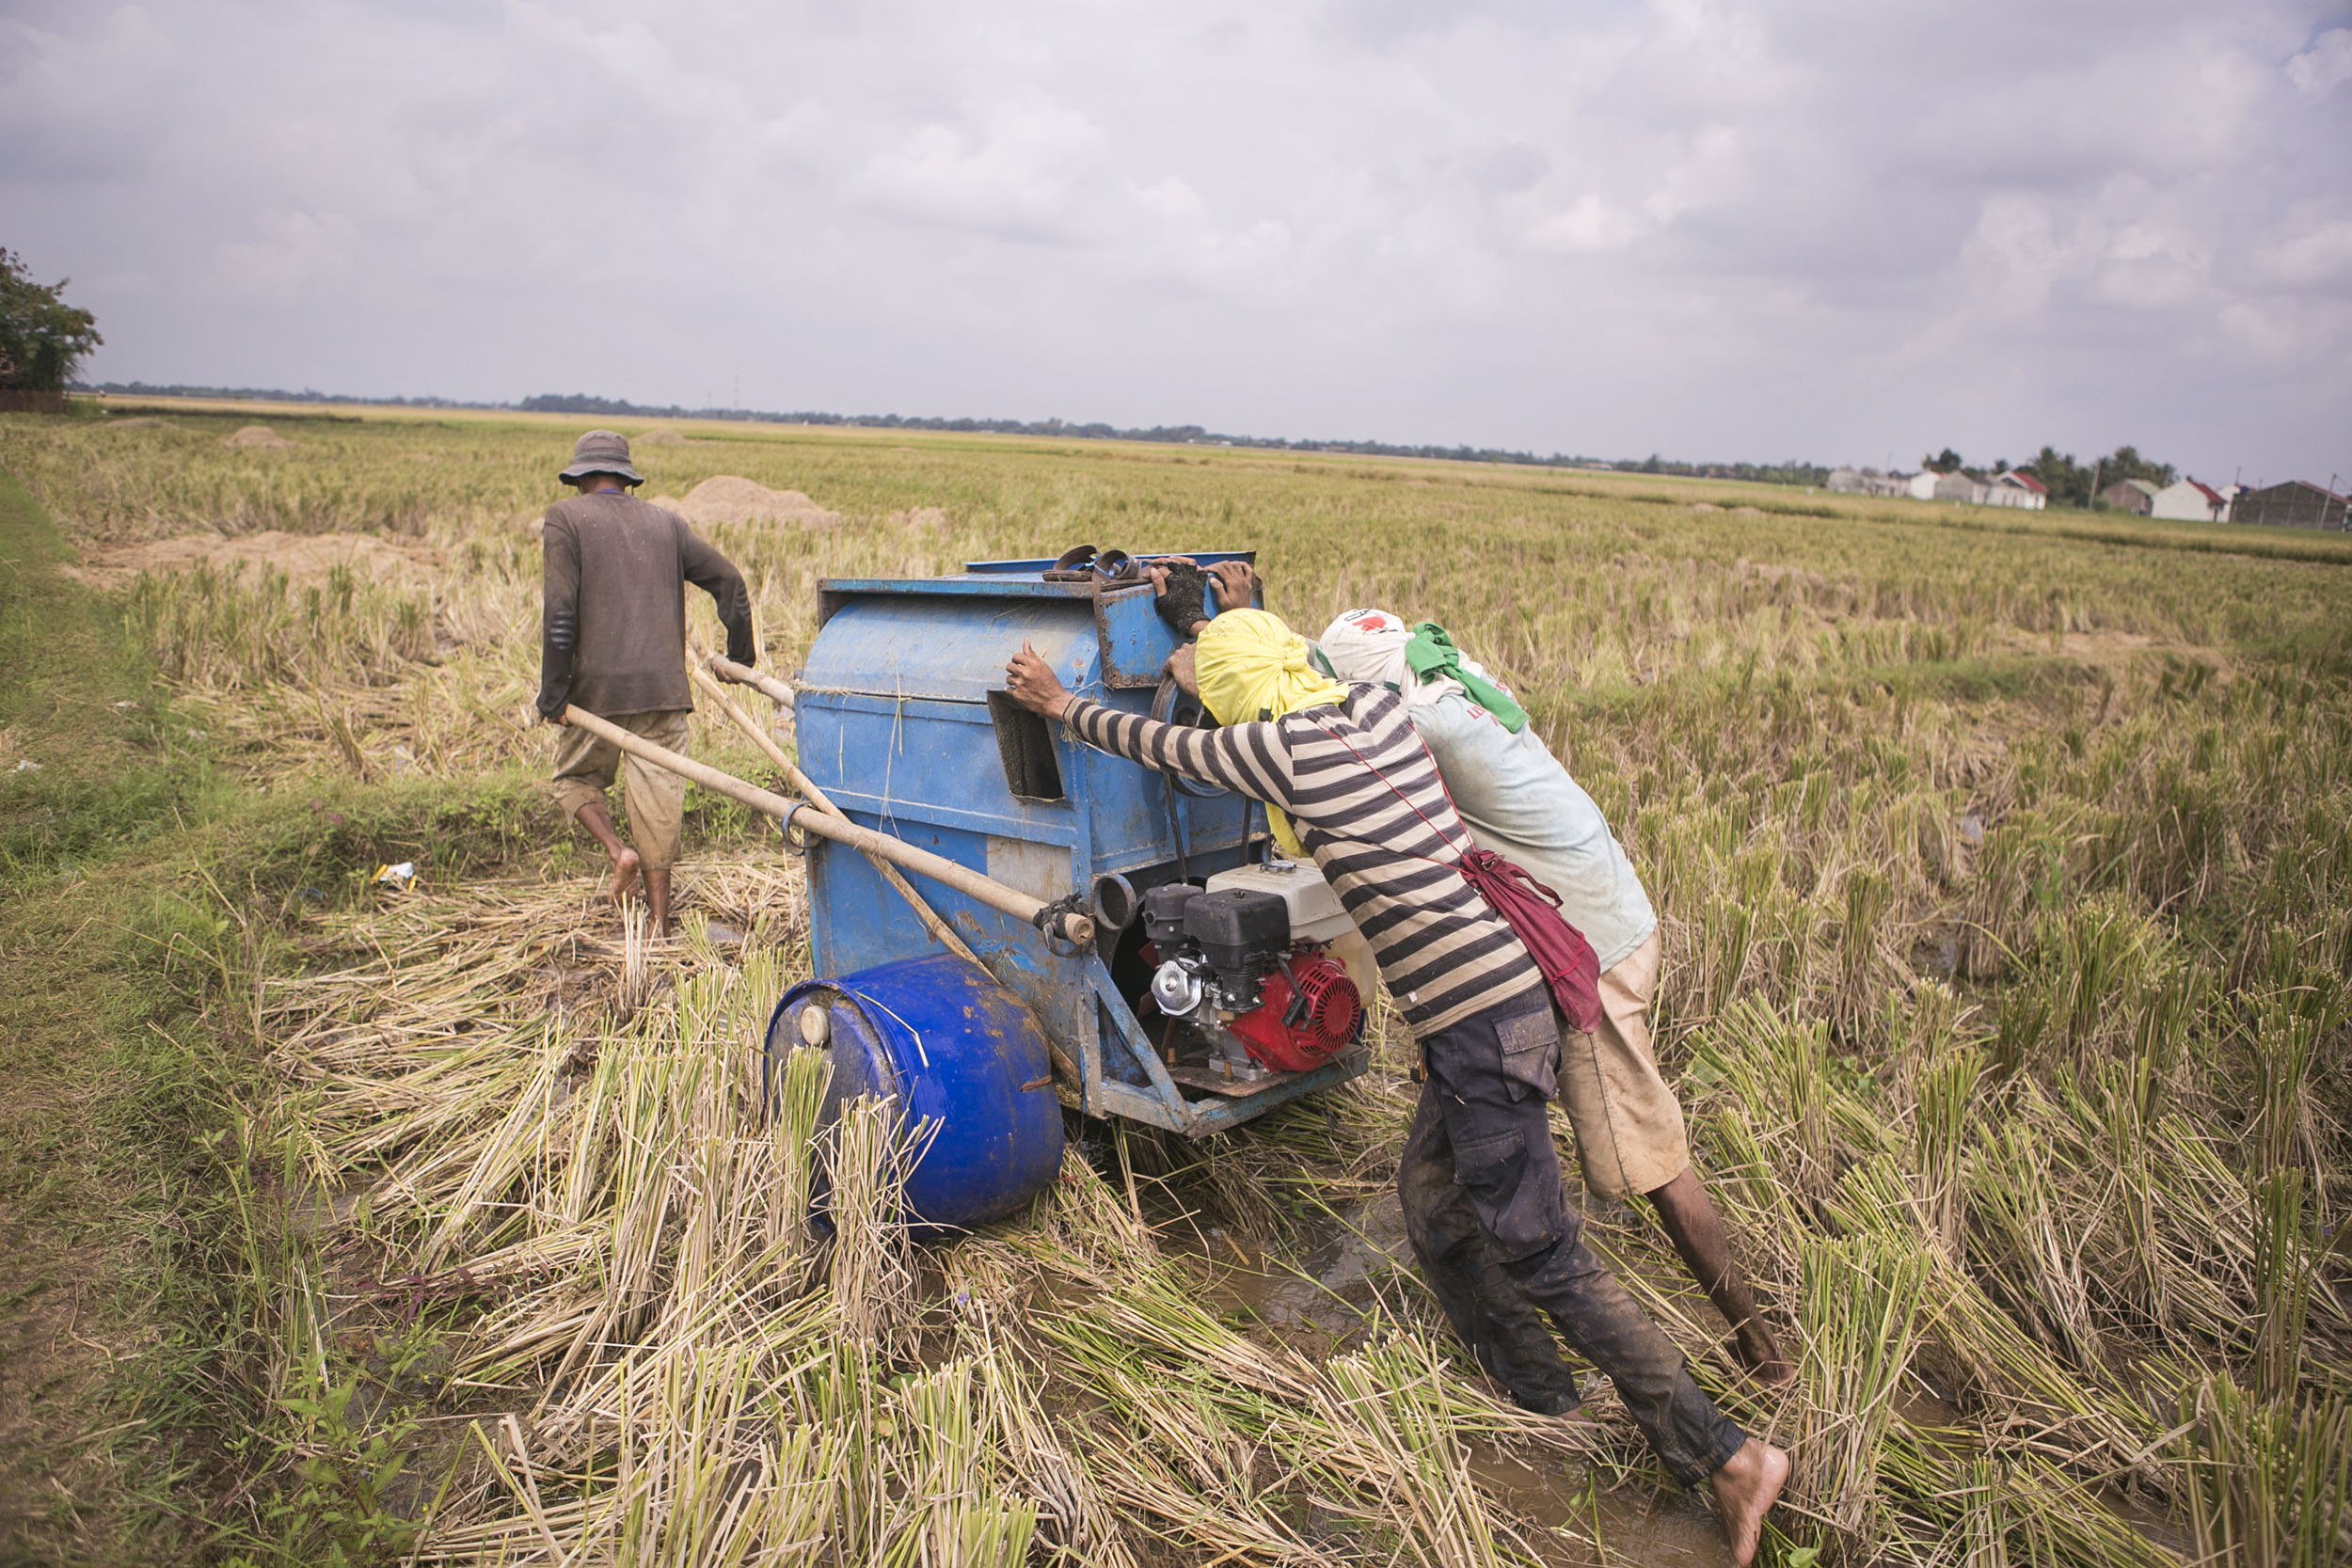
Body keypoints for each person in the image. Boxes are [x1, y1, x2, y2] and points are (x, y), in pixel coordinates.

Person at [1002, 610, 1789, 1565]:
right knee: (1433, 1202)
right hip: (1504, 995)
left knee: (1543, 1251)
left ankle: (1728, 1455)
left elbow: (1160, 744)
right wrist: (1219, 640)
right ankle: (1538, 1392)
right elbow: (1274, 675)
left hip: (1478, 1020)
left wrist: (1058, 702)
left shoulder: (1281, 752)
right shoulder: (1374, 709)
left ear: (1239, 694)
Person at [1315, 607, 1793, 1393]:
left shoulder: (1426, 726)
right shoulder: (1450, 680)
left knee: (1649, 1161)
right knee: (1434, 1175)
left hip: (1585, 960)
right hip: (1582, 930)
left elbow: (1323, 738)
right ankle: (1516, 1357)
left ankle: (1762, 1351)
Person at [535, 430, 756, 937]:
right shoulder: (666, 524)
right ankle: (658, 925)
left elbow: (560, 616)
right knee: (660, 808)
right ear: (627, 481)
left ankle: (619, 852)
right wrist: (740, 658)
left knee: (573, 779)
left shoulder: (565, 517)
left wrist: (553, 693)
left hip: (594, 693)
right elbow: (731, 583)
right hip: (662, 690)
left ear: (580, 479)